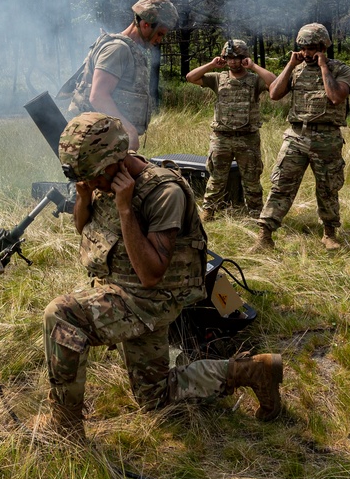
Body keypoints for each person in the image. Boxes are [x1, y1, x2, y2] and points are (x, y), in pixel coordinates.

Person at [38, 112, 284, 442]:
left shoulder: (165, 193)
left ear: (117, 160)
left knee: (62, 315)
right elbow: (86, 229)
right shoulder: (101, 177)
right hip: (119, 288)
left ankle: (64, 431)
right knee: (155, 398)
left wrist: (126, 210)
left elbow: (152, 274)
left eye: (94, 177)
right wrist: (84, 198)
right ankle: (254, 371)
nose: (92, 183)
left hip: (148, 299)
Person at [254, 23, 350, 251]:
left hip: (327, 138)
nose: (307, 53)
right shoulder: (296, 69)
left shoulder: (341, 69)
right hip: (296, 136)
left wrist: (323, 68)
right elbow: (274, 94)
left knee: (327, 188)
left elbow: (336, 97)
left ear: (323, 47)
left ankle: (329, 234)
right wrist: (290, 64)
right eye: (304, 48)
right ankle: (264, 236)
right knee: (281, 186)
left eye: (312, 48)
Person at [61, 0, 178, 151]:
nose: (159, 40)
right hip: (92, 141)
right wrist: (128, 130)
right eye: (160, 34)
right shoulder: (117, 49)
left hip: (105, 137)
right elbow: (98, 96)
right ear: (145, 24)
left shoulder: (129, 49)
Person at [186, 39, 276, 220]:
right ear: (224, 59)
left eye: (238, 58)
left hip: (247, 138)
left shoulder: (254, 80)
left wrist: (254, 67)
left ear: (245, 58)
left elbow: (274, 82)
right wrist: (212, 64)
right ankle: (209, 210)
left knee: (251, 179)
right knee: (216, 177)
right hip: (222, 137)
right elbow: (190, 77)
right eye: (229, 58)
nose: (233, 62)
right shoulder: (218, 78)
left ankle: (255, 212)